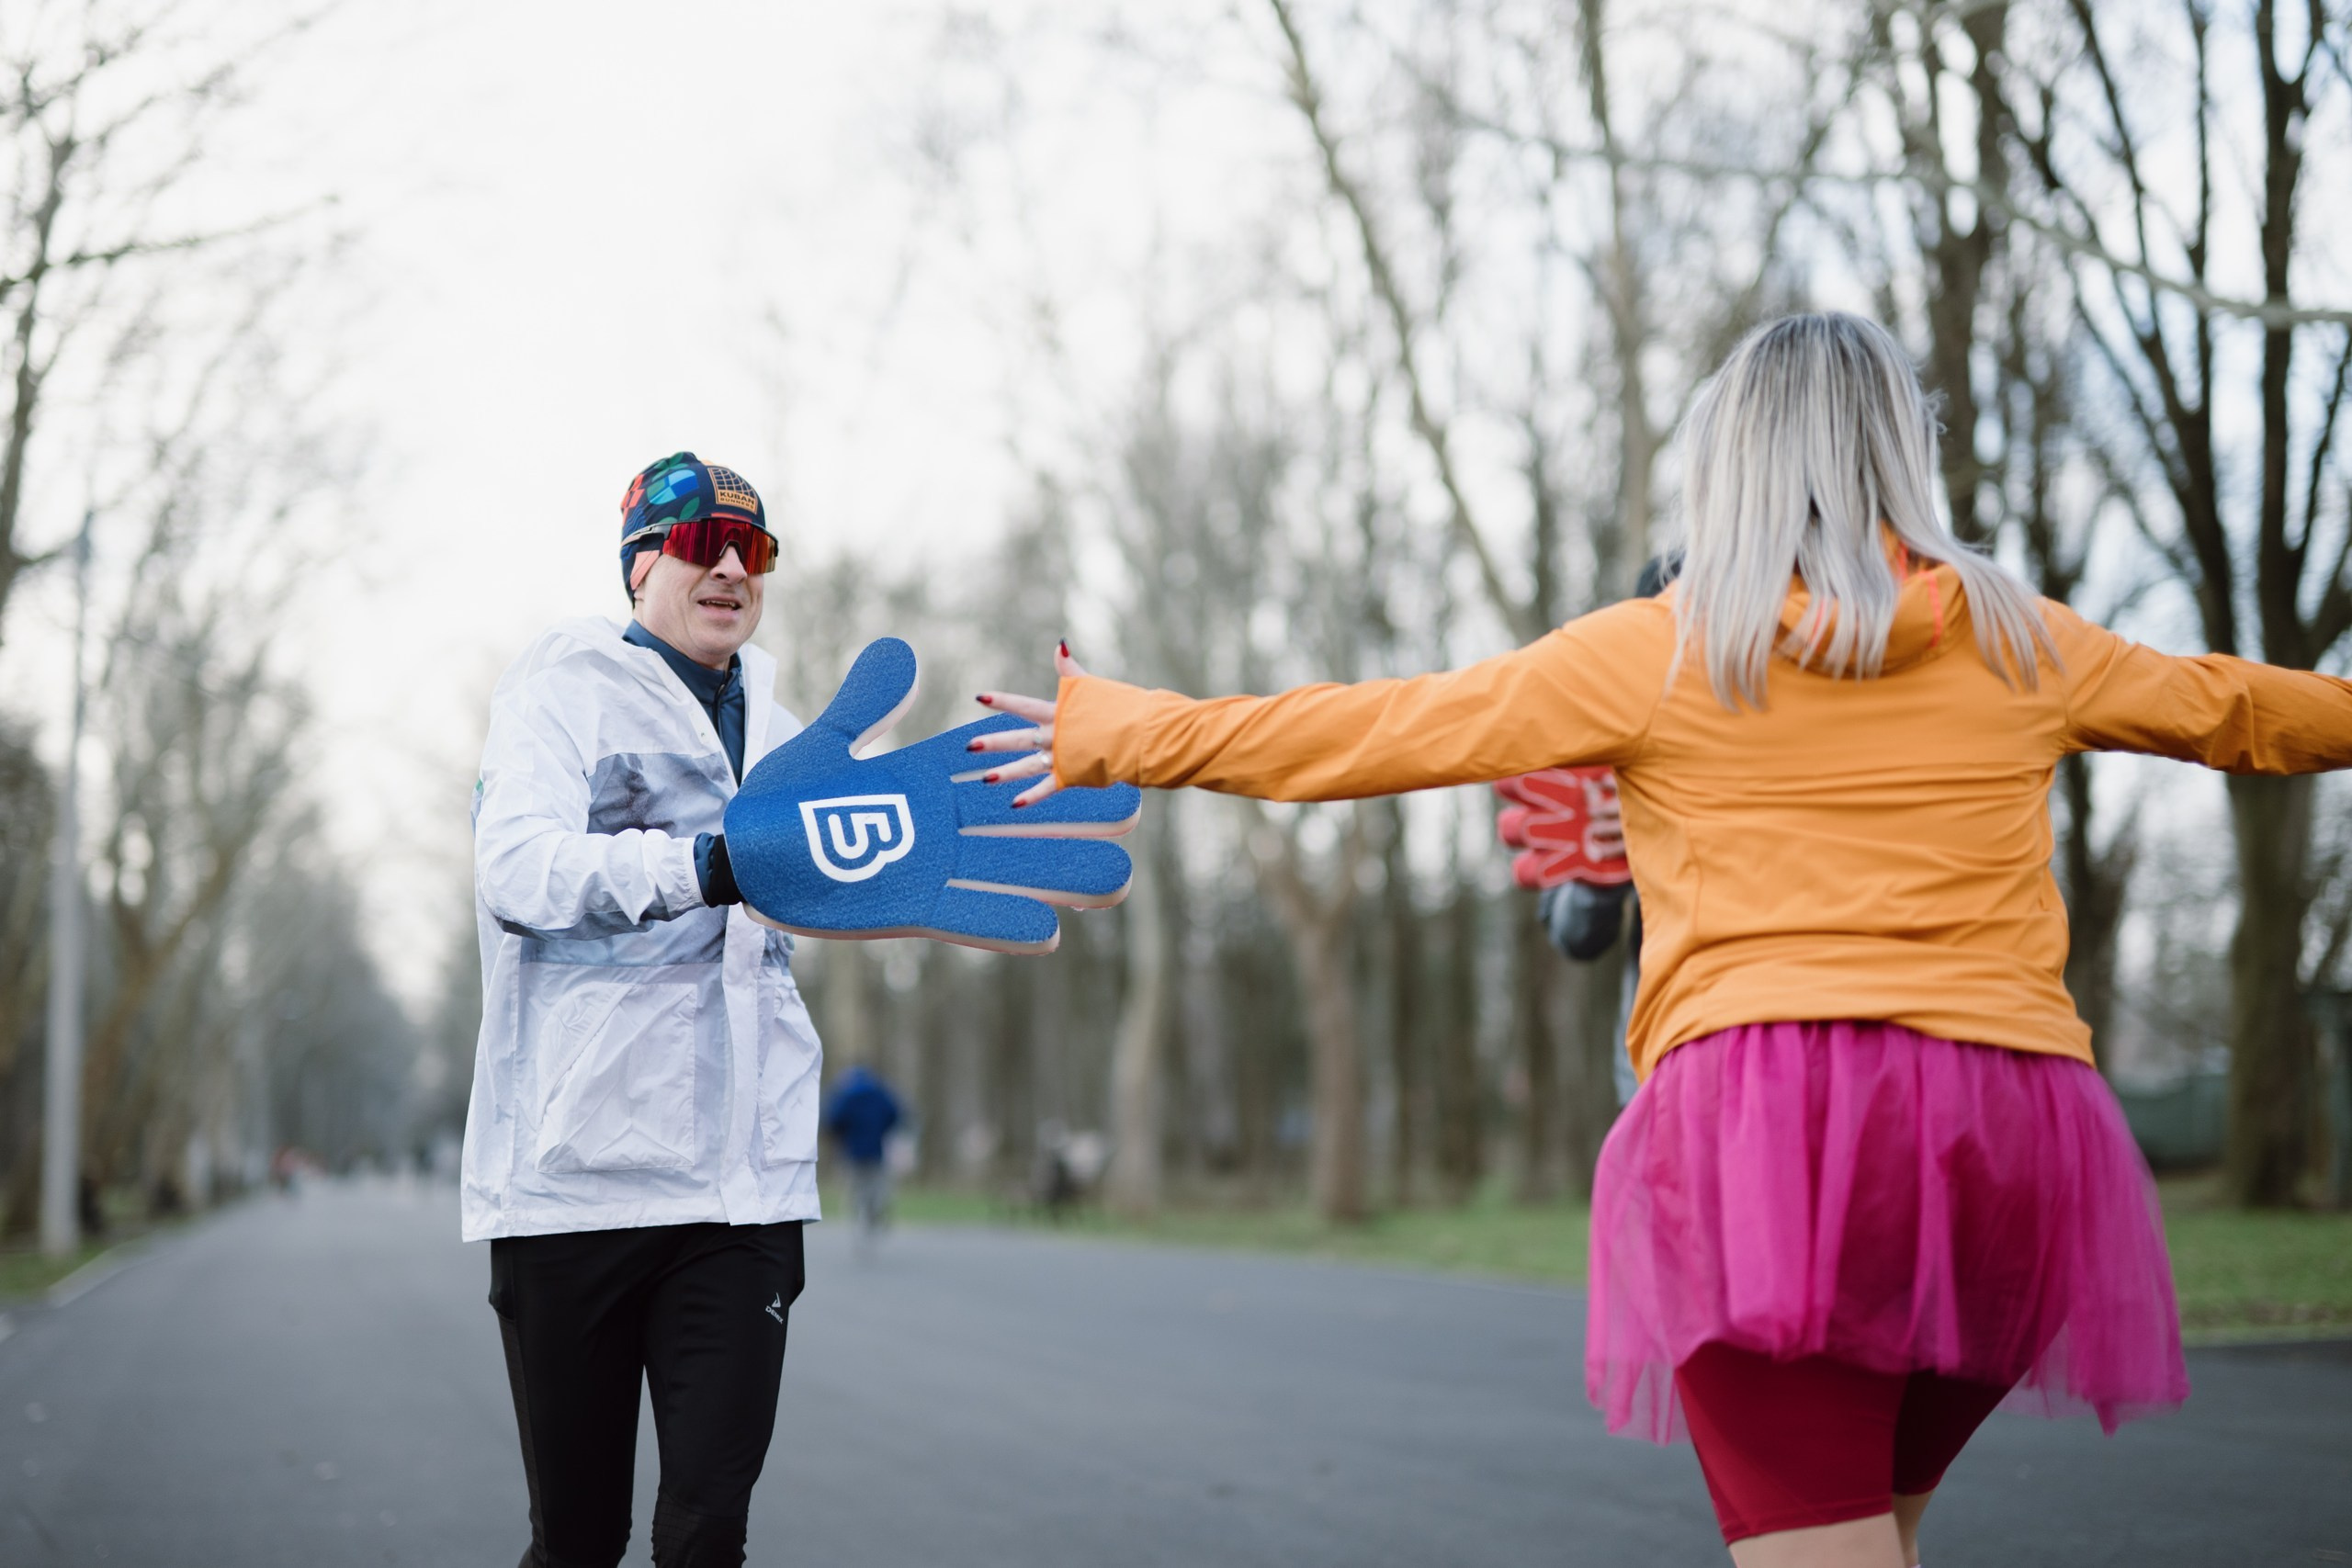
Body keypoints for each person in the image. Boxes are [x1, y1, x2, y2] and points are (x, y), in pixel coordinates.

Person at [967, 313, 2352, 1568]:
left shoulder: (1667, 645)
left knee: (1825, 1542)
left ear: (1727, 466)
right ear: (1900, 457)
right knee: (1878, 1528)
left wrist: (1123, 727)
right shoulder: (2023, 638)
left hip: (1781, 1135)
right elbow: (2249, 706)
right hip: (2013, 1137)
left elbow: (1377, 728)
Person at [462, 451, 820, 1568]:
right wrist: (702, 866)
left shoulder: (786, 719)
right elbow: (517, 873)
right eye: (697, 542)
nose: (727, 566)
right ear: (638, 566)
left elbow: (824, 889)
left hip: (739, 1187)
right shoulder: (558, 690)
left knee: (709, 1529)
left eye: (750, 549)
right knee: (577, 1540)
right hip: (573, 1184)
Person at [820, 1063, 903, 1239]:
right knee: (876, 1185)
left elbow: (833, 1120)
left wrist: (841, 1135)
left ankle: (858, 1221)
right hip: (876, 1149)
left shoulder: (846, 1096)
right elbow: (895, 1114)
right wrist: (882, 1130)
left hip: (852, 1150)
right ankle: (875, 1212)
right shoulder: (880, 1093)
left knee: (854, 1189)